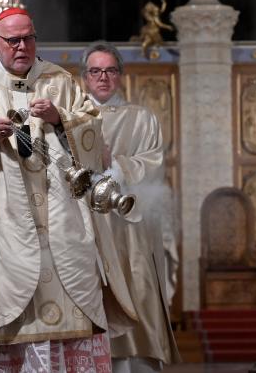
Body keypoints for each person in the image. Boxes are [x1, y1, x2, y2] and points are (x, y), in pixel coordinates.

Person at [0, 8, 136, 372]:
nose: (22, 46)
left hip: (63, 225)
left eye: (29, 38)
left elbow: (95, 139)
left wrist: (59, 119)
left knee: (72, 320)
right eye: (13, 40)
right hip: (7, 225)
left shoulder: (59, 81)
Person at [81, 41, 181, 372]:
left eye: (110, 70)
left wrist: (116, 165)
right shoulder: (71, 119)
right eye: (95, 71)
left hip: (130, 229)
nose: (103, 78)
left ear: (121, 76)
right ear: (85, 77)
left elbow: (154, 166)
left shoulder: (142, 119)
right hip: (86, 231)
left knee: (137, 296)